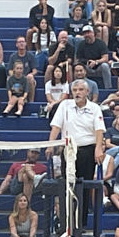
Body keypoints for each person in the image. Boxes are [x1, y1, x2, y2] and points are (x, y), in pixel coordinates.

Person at [48, 79, 105, 219]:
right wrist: (50, 144)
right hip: (68, 150)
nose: (77, 93)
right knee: (67, 185)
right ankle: (65, 221)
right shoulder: (65, 105)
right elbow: (56, 126)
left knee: (84, 187)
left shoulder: (94, 108)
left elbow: (99, 130)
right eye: (74, 90)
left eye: (80, 90)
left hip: (88, 150)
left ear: (87, 92)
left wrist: (98, 149)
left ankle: (81, 222)